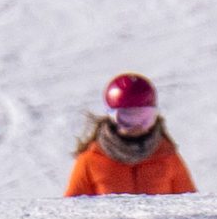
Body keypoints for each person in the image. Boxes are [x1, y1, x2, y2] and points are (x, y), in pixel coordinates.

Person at [64, 73, 196, 197]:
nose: (136, 126)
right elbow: (73, 212)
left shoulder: (167, 156)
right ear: (112, 117)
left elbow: (191, 207)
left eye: (144, 118)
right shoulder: (90, 160)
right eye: (127, 117)